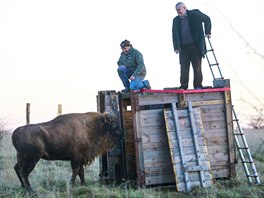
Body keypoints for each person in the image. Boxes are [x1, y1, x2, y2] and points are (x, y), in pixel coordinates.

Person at [172, 2, 211, 90]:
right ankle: (183, 86)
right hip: (183, 47)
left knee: (197, 67)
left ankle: (197, 85)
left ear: (184, 8)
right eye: (176, 11)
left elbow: (207, 19)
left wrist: (207, 31)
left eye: (179, 10)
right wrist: (176, 47)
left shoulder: (195, 14)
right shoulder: (176, 20)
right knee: (184, 68)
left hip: (195, 46)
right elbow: (174, 34)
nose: (178, 12)